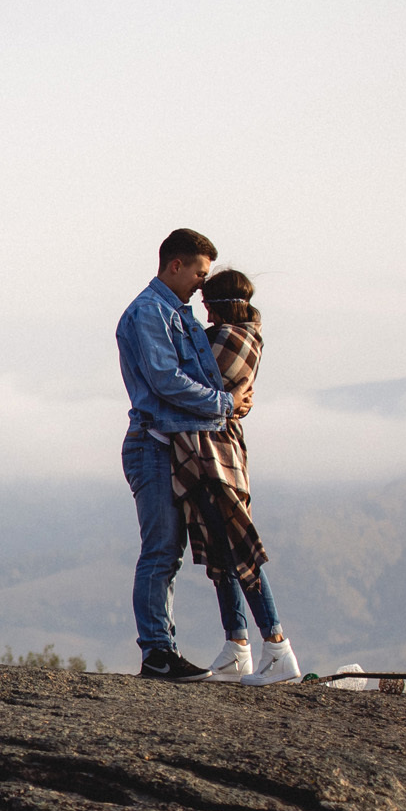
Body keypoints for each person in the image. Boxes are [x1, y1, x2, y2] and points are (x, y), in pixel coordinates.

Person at [115, 229, 252, 680]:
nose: (202, 283)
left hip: (174, 444)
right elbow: (166, 380)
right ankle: (157, 652)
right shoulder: (149, 313)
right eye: (199, 273)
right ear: (176, 265)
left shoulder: (175, 313)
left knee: (171, 552)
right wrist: (226, 404)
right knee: (161, 550)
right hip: (153, 443)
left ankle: (164, 648)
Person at [174, 269, 302, 684]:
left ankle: (277, 646)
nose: (205, 312)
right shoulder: (242, 337)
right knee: (221, 552)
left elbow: (184, 385)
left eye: (209, 304)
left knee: (239, 547)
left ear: (223, 305)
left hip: (216, 455)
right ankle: (237, 646)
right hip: (212, 451)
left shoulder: (229, 339)